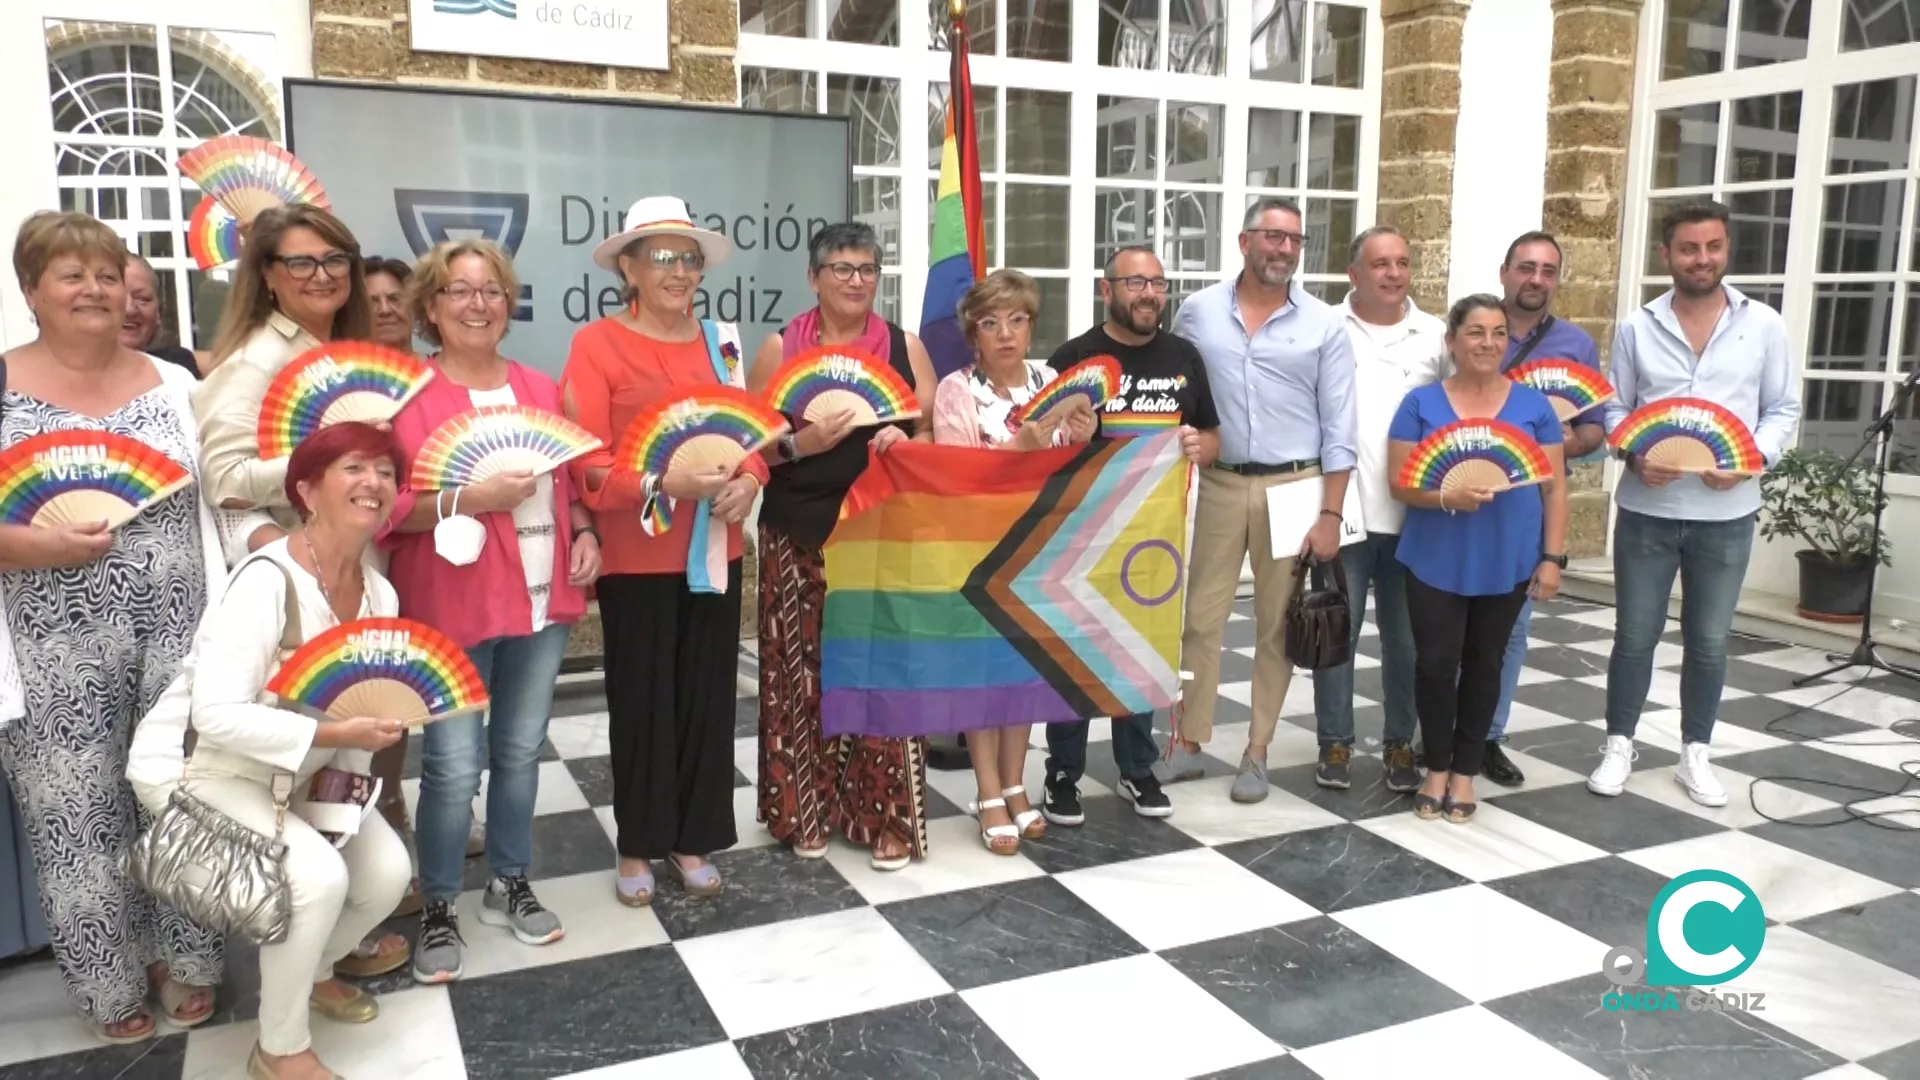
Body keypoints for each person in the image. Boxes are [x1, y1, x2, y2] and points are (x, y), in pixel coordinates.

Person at [128, 422, 414, 1080]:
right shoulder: (266, 580)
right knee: (316, 881)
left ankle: (310, 972)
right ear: (307, 490)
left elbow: (356, 710)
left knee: (386, 873)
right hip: (200, 769)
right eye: (353, 468)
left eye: (385, 472)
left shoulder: (380, 593)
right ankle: (279, 1048)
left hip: (295, 772)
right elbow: (216, 714)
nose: (373, 483)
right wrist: (338, 738)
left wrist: (344, 798)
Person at [0, 212, 226, 1042]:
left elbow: (222, 498)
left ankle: (190, 959)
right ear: (32, 292)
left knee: (183, 798)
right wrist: (28, 542)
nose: (93, 290)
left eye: (105, 275)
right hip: (45, 640)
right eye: (70, 275)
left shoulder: (174, 385)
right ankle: (109, 980)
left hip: (180, 626)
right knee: (78, 813)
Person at [383, 240, 601, 981]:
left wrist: (584, 533)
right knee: (450, 765)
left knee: (519, 751)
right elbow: (387, 509)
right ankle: (440, 901)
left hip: (543, 598)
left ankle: (509, 881)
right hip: (454, 604)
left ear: (509, 304)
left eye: (492, 291)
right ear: (431, 308)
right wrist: (468, 499)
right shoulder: (405, 397)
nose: (477, 304)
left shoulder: (541, 389)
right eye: (459, 291)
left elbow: (566, 483)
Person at [562, 196, 765, 903]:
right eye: (663, 257)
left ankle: (693, 835)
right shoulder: (597, 345)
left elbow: (755, 435)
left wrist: (751, 478)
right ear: (629, 266)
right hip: (636, 556)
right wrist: (663, 480)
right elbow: (585, 464)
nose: (680, 271)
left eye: (689, 258)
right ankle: (639, 843)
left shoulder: (727, 344)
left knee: (708, 697)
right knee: (643, 700)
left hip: (715, 547)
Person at [1592, 201, 1799, 806]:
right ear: (1667, 255)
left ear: (1726, 250)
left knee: (1709, 641)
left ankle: (1695, 752)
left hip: (1726, 516)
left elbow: (1782, 408)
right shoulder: (1637, 327)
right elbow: (1614, 410)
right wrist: (1631, 454)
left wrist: (1748, 461)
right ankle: (1618, 743)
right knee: (1634, 635)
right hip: (1646, 511)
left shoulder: (1763, 325)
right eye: (1689, 248)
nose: (1701, 259)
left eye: (1712, 247)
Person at [745, 223, 939, 871]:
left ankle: (885, 817)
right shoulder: (780, 347)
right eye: (841, 268)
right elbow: (754, 446)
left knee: (881, 670)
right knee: (797, 673)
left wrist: (908, 443)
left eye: (866, 269)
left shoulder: (904, 347)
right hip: (796, 529)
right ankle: (804, 810)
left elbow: (931, 429)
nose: (855, 280)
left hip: (881, 532)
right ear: (813, 277)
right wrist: (806, 444)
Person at [1164, 197, 1358, 803]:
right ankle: (1190, 742)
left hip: (1293, 487)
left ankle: (1257, 751)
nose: (1284, 250)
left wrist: (1331, 514)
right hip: (1220, 481)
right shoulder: (1197, 311)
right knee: (1200, 619)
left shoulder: (1324, 324)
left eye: (1295, 241)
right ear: (1244, 241)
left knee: (1278, 625)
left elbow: (1340, 428)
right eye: (1273, 237)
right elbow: (1176, 388)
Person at [1038, 246, 1217, 826]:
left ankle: (1136, 770)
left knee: (1141, 651)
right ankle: (1062, 772)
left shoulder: (1185, 356)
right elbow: (1045, 448)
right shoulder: (1074, 357)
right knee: (1075, 650)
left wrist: (1199, 448)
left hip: (1155, 539)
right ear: (1105, 288)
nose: (1149, 294)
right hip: (1082, 537)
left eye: (1159, 284)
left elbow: (1213, 440)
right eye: (1135, 282)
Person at [1387, 294, 1568, 823]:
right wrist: (1448, 496)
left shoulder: (1533, 408)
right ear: (1452, 341)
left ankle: (1466, 772)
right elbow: (1401, 484)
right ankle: (1436, 767)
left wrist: (1551, 557)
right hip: (1434, 552)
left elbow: (1554, 490)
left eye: (1497, 333)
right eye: (1474, 332)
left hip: (1509, 555)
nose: (1487, 343)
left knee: (1487, 664)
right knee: (1437, 665)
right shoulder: (1421, 404)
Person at [932, 268, 1094, 853]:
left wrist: (1083, 430)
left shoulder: (1053, 380)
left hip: (1041, 551)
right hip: (979, 550)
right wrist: (1022, 444)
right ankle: (987, 793)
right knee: (982, 674)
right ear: (973, 333)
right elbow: (959, 476)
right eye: (991, 322)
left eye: (1017, 320)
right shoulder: (955, 389)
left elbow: (1073, 464)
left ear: (1031, 326)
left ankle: (1016, 786)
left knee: (1024, 673)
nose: (1005, 333)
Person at [1310, 226, 1447, 794]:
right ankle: (1335, 742)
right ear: (1354, 274)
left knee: (1407, 641)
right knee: (1333, 634)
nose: (1394, 274)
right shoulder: (1322, 328)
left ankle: (1398, 745)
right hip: (1341, 512)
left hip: (1416, 518)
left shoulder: (1437, 336)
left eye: (1402, 262)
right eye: (1381, 264)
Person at [1481, 231, 1608, 786]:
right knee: (1442, 631)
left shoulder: (1577, 345)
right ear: (1505, 271)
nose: (1536, 279)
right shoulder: (1476, 330)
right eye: (1526, 267)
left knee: (1510, 629)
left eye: (1548, 270)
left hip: (1528, 507)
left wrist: (1551, 445)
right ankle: (1432, 733)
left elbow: (1593, 434)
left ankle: (1488, 737)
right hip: (1460, 500)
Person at [193, 203, 373, 559]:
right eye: (300, 263)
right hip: (303, 566)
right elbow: (224, 480)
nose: (322, 276)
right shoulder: (255, 360)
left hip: (362, 559)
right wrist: (329, 460)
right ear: (268, 274)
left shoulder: (348, 353)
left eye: (335, 259)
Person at [122, 255, 200, 377]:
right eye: (117, 298)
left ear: (158, 312)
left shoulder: (178, 369)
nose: (129, 309)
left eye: (143, 299)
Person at [365, 256, 414, 352]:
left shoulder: (441, 367)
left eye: (394, 299)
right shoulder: (335, 367)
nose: (384, 309)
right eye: (372, 302)